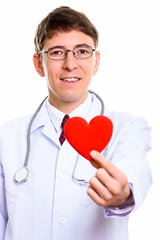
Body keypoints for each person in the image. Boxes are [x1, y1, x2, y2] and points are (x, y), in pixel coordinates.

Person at [0, 6, 152, 240]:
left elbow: (134, 174)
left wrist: (122, 195)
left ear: (96, 61)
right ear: (39, 63)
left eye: (81, 51)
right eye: (57, 52)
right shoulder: (7, 137)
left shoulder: (127, 128)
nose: (70, 64)